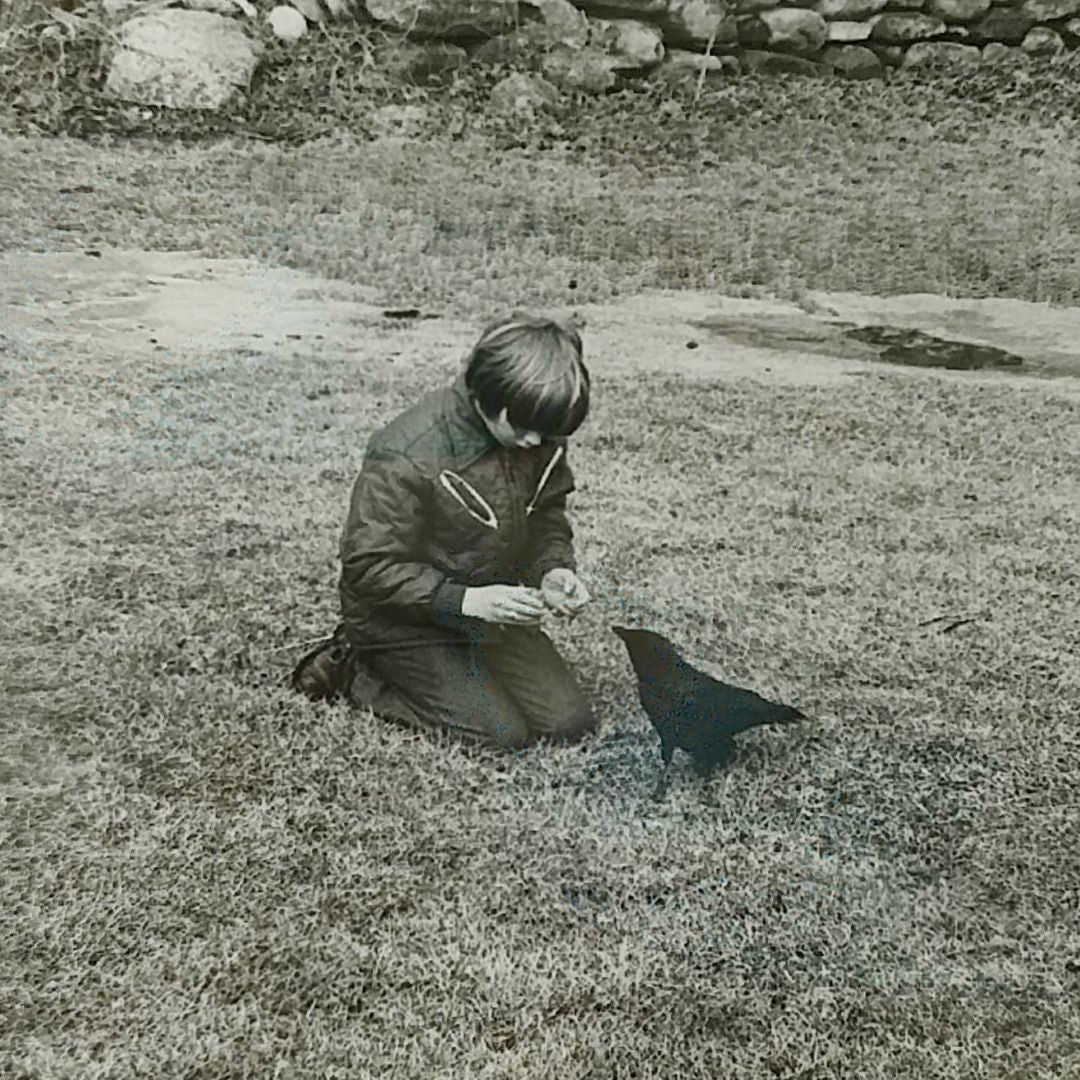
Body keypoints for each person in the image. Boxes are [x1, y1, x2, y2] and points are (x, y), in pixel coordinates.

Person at [293, 313, 596, 750]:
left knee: (568, 723)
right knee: (498, 734)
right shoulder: (407, 450)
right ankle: (354, 667)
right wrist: (466, 600)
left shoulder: (538, 433)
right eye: (525, 429)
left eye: (548, 432)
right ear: (489, 396)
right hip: (401, 619)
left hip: (485, 608)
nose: (536, 442)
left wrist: (551, 570)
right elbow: (369, 565)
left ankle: (465, 670)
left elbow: (545, 515)